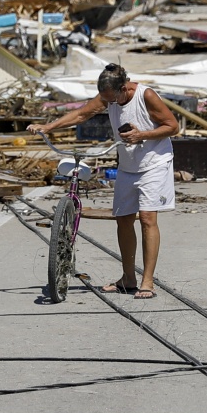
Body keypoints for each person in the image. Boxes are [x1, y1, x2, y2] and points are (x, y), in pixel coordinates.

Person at [28, 64, 177, 298]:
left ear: (124, 87)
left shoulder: (145, 95)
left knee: (147, 218)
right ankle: (128, 278)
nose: (110, 103)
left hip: (155, 163)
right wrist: (49, 127)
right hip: (128, 165)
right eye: (106, 99)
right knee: (123, 220)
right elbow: (82, 113)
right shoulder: (109, 98)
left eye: (112, 98)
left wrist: (142, 135)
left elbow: (172, 126)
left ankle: (147, 282)